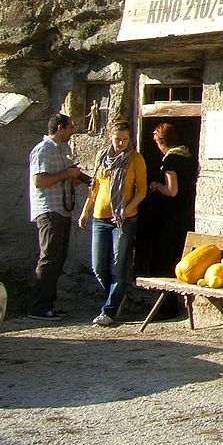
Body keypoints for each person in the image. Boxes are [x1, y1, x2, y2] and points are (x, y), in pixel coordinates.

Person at [78, 121, 147, 327]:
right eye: (118, 139)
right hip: (100, 217)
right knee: (98, 265)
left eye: (125, 139)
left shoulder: (135, 159)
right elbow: (94, 187)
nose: (121, 143)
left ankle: (109, 310)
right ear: (111, 137)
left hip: (124, 219)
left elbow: (141, 190)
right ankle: (117, 297)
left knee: (119, 264)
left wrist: (127, 209)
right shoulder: (102, 156)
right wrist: (85, 211)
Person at [28, 113, 83, 320]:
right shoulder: (43, 150)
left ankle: (48, 303)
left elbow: (60, 177)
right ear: (60, 128)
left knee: (57, 258)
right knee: (49, 258)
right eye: (69, 127)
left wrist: (73, 179)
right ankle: (38, 306)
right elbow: (39, 181)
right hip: (49, 210)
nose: (72, 131)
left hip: (61, 209)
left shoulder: (63, 150)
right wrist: (66, 175)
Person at [145, 123, 197, 314]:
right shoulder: (187, 156)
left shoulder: (171, 161)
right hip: (185, 214)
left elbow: (172, 190)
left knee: (165, 260)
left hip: (172, 216)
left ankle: (165, 308)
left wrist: (156, 185)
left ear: (161, 142)